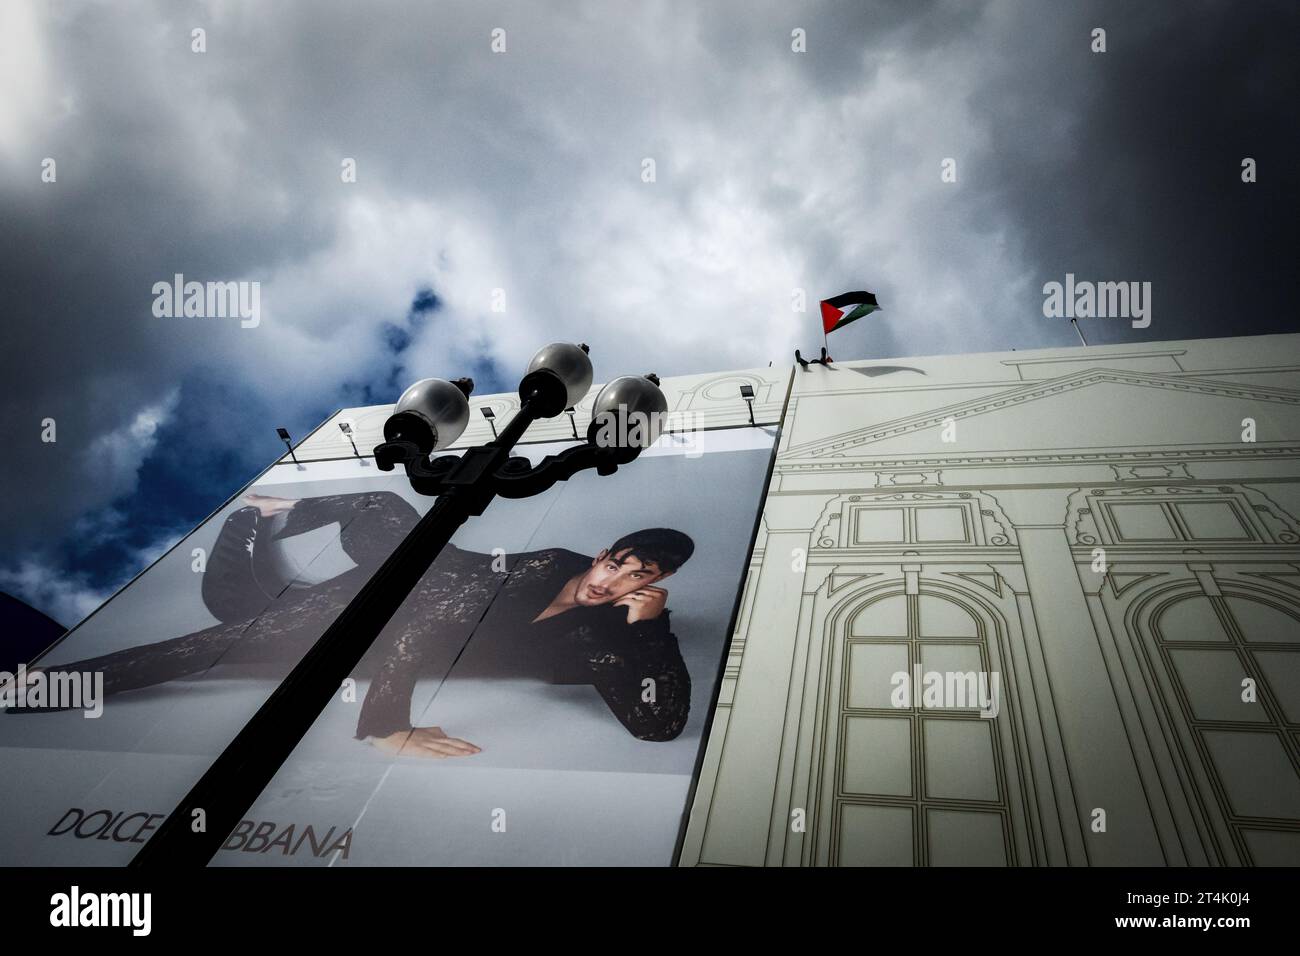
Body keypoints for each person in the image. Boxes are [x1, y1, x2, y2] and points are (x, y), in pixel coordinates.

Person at [7, 491, 696, 758]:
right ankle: (262, 514)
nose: (618, 581)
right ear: (605, 551)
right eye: (620, 562)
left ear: (652, 585)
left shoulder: (608, 633)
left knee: (235, 619)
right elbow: (426, 617)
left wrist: (649, 634)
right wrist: (385, 726)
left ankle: (258, 535)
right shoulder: (550, 562)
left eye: (640, 577)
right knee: (210, 643)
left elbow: (657, 725)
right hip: (380, 599)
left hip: (408, 598)